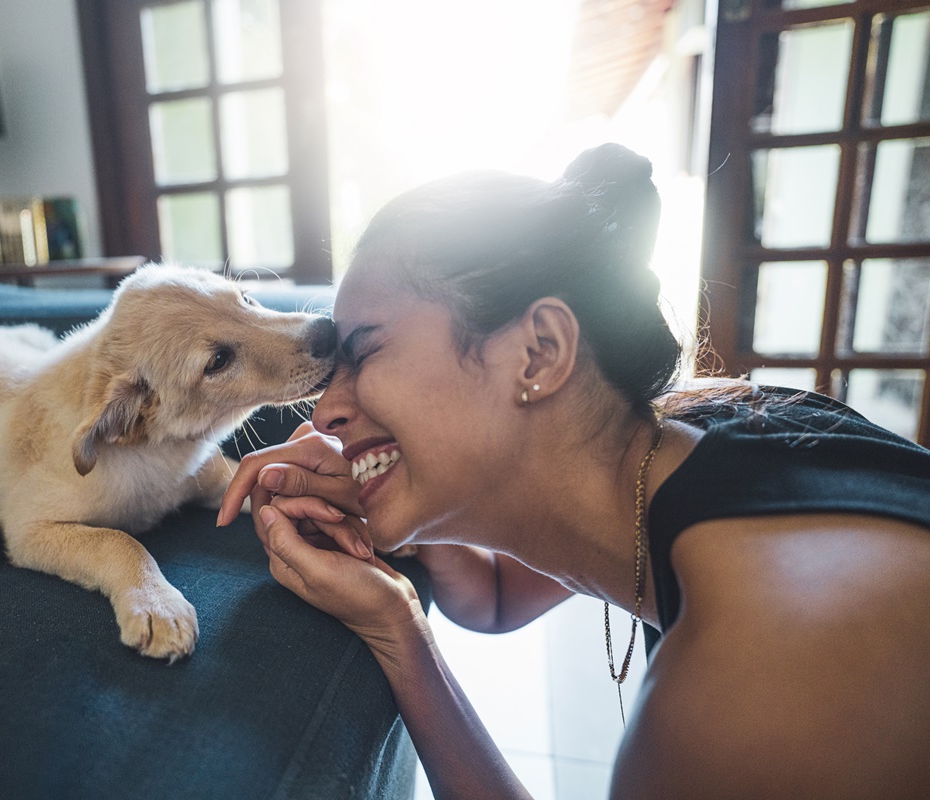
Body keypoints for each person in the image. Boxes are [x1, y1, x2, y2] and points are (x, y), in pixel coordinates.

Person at [217, 144, 930, 799]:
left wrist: (397, 641)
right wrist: (390, 503)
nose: (325, 414)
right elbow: (493, 597)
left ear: (540, 351)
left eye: (364, 352)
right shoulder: (691, 444)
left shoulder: (750, 697)